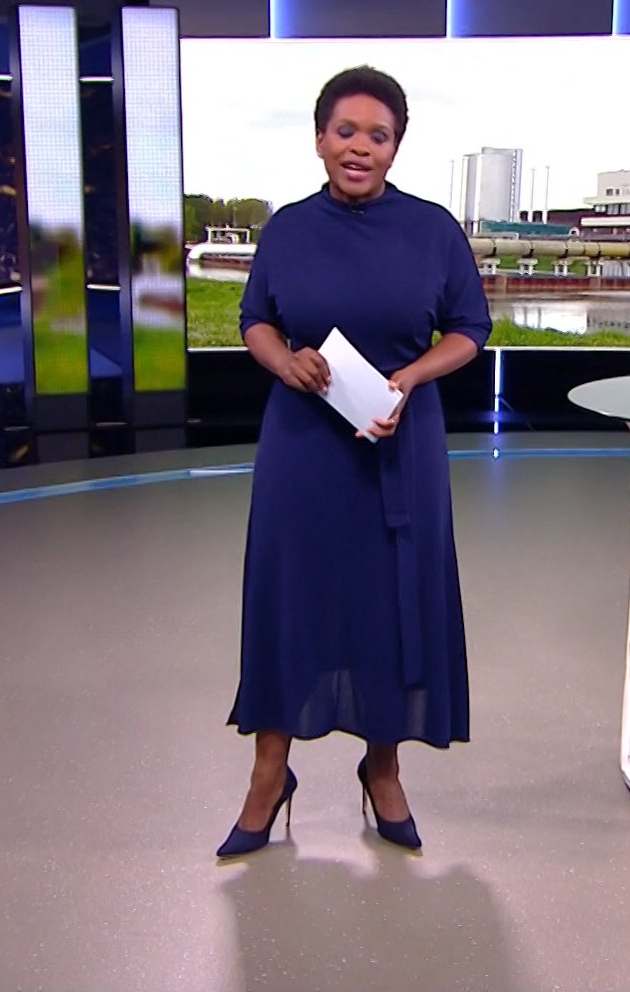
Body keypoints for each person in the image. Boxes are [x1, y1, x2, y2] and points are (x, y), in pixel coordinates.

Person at [217, 66, 493, 858]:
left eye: (379, 135)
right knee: (289, 599)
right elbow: (255, 320)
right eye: (346, 132)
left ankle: (383, 767)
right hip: (303, 447)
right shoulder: (287, 230)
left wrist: (410, 377)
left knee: (391, 604)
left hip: (398, 445)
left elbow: (469, 329)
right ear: (319, 140)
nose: (360, 148)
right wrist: (284, 361)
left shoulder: (433, 230)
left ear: (396, 147)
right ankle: (269, 774)